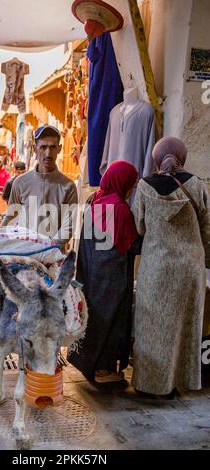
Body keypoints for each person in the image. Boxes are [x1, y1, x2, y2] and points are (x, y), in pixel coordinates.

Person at [131, 136, 210, 397]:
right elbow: (207, 228)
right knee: (185, 325)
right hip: (189, 266)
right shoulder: (197, 185)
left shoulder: (144, 187)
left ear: (156, 157)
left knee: (152, 325)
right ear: (181, 156)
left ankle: (150, 384)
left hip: (157, 264)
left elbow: (139, 225)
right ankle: (177, 382)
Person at [68, 161, 141, 383]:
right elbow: (133, 245)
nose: (131, 190)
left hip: (92, 272)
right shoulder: (119, 208)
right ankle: (103, 370)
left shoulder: (95, 199)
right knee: (111, 321)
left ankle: (86, 363)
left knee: (93, 318)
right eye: (131, 185)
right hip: (112, 277)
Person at [2, 125, 78, 247]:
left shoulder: (68, 187)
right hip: (22, 252)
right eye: (43, 147)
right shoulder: (20, 183)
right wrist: (0, 239)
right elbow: (11, 217)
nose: (48, 153)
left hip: (52, 255)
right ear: (35, 148)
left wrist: (47, 247)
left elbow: (67, 227)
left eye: (53, 147)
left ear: (59, 149)